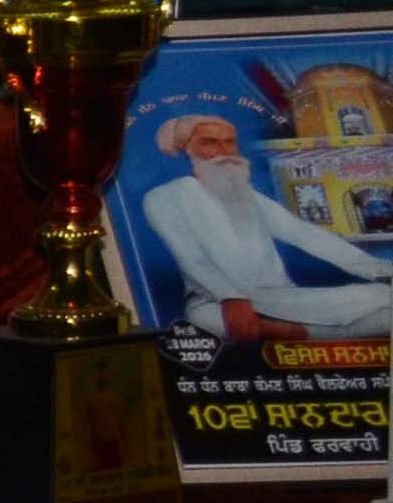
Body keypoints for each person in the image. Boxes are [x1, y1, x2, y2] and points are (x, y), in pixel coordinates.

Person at [141, 112, 393, 336]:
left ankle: (294, 332)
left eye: (229, 142)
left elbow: (305, 235)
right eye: (209, 143)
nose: (224, 150)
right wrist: (231, 298)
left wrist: (380, 270)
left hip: (282, 299)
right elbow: (190, 256)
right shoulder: (164, 197)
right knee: (208, 321)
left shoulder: (248, 196)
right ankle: (304, 332)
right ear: (187, 148)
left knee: (383, 296)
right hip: (215, 301)